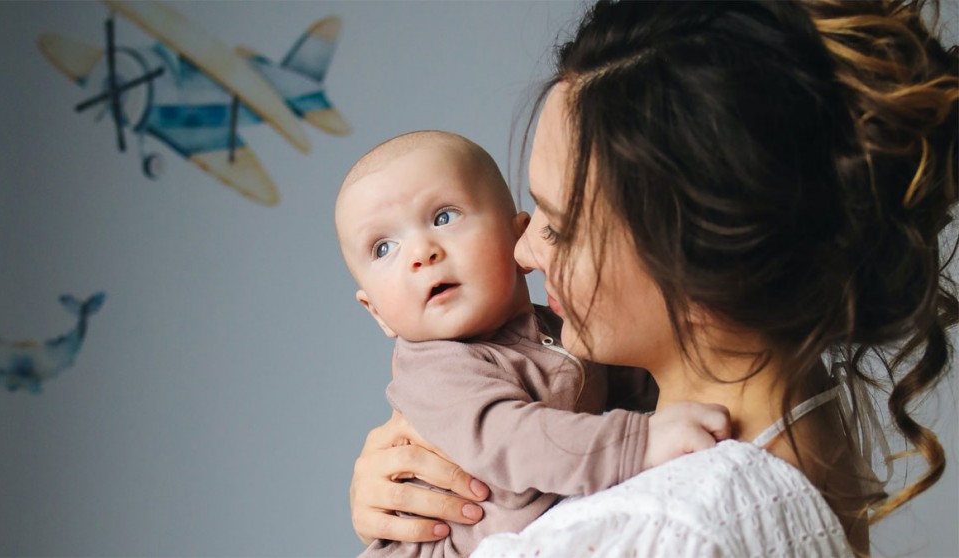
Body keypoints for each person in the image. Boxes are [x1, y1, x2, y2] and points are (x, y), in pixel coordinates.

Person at [348, 1, 958, 556]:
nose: (525, 252)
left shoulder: (659, 530)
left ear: (696, 266)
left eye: (557, 227)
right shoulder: (806, 416)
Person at [336, 130, 732, 557]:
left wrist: (708, 372)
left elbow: (629, 377)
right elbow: (515, 440)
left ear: (519, 238)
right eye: (383, 247)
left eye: (444, 217)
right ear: (375, 311)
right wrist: (639, 441)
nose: (421, 252)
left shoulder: (553, 328)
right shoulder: (437, 370)